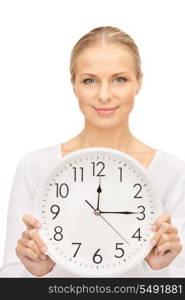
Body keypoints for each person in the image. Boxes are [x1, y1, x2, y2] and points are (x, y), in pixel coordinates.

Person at [0, 26, 184, 278]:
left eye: (119, 79)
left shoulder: (173, 172)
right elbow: (10, 279)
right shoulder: (36, 167)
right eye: (90, 80)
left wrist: (158, 266)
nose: (104, 95)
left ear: (139, 82)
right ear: (74, 85)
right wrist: (37, 274)